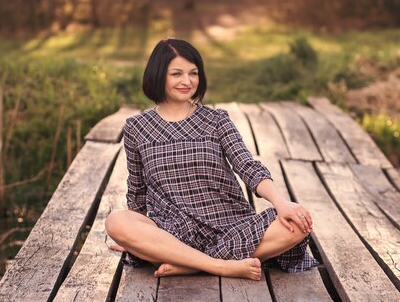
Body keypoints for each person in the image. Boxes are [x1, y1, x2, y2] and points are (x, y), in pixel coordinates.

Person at [105, 38, 318, 281]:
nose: (187, 81)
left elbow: (247, 166)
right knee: (115, 221)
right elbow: (137, 192)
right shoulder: (137, 128)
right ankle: (220, 266)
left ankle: (191, 264)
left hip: (230, 226)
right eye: (176, 74)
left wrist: (282, 204)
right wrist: (135, 240)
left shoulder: (216, 119)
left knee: (298, 224)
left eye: (193, 73)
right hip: (174, 231)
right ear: (158, 75)